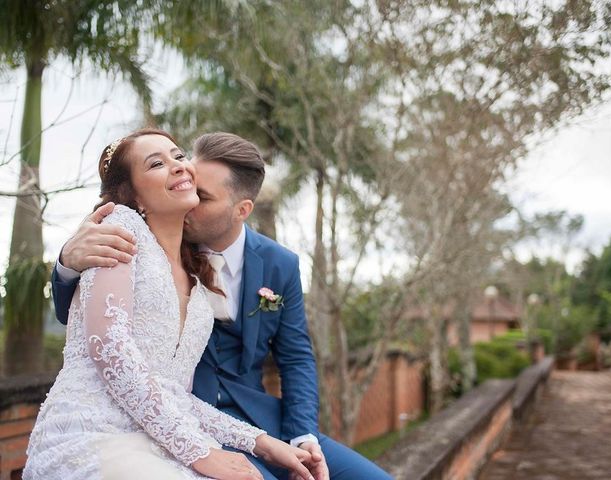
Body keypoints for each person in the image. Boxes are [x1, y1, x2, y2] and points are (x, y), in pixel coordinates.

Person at [51, 132, 394, 480]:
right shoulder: (142, 233)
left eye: (202, 195)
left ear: (241, 209)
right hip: (171, 420)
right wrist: (67, 262)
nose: (186, 184)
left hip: (256, 417)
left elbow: (296, 356)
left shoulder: (280, 263)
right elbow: (89, 323)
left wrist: (302, 434)